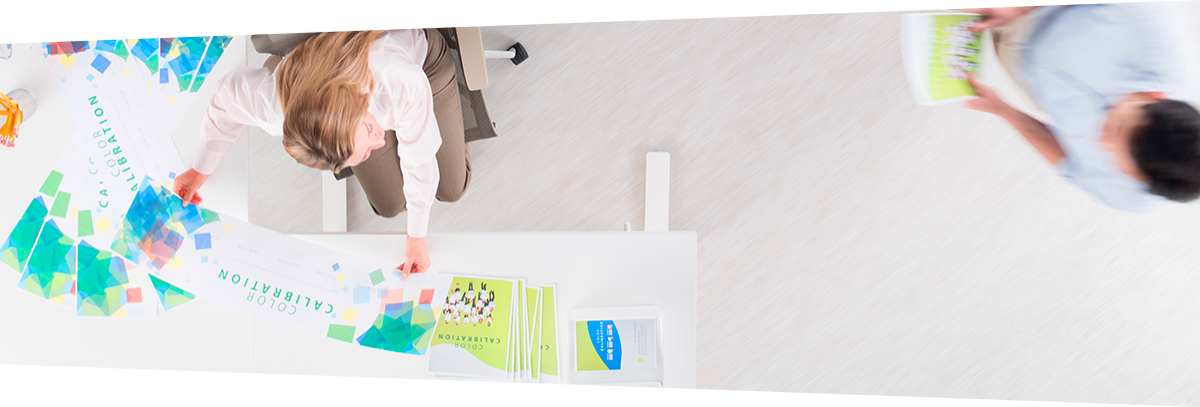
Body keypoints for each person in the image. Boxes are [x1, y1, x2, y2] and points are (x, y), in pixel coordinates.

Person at [172, 28, 471, 278]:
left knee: (451, 187)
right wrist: (200, 169)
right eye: (362, 154)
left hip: (421, 64)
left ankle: (447, 118)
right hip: (335, 78)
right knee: (390, 204)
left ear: (357, 103)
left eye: (368, 130)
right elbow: (226, 98)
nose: (380, 141)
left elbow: (418, 159)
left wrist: (416, 236)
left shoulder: (401, 80)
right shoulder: (279, 110)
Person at [961, 4, 1200, 212]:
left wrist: (1005, 111)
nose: (1099, 142)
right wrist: (1022, 9)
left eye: (1115, 157)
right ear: (1153, 96)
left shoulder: (1130, 196)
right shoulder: (1152, 27)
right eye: (1114, 128)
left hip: (1032, 70)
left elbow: (1071, 163)